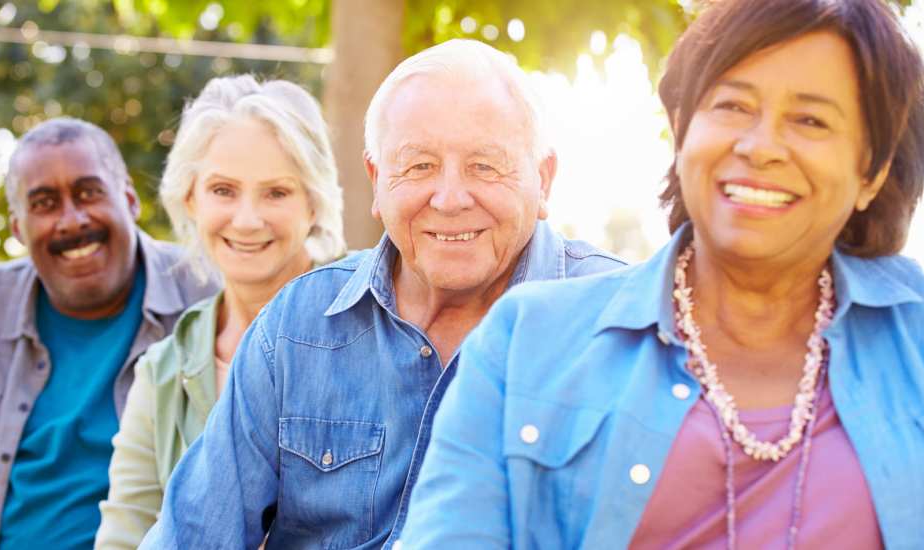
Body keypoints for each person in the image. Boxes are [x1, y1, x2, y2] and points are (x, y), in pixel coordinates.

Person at [398, 0, 924, 548]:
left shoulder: (921, 341)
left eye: (810, 120)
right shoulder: (526, 342)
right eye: (733, 105)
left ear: (873, 169)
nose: (760, 146)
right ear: (681, 129)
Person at [139, 39, 625, 549]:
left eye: (485, 165)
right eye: (419, 166)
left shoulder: (620, 324)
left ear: (543, 179)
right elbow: (192, 534)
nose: (451, 198)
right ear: (376, 180)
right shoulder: (296, 328)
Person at [0, 118, 216, 549]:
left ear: (130, 199)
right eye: (44, 203)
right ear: (17, 228)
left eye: (88, 193)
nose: (71, 220)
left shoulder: (210, 299)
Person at [94, 75, 346, 548]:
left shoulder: (378, 333)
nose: (247, 220)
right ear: (190, 198)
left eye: (276, 192)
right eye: (223, 190)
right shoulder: (161, 375)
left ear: (313, 202)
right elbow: (123, 537)